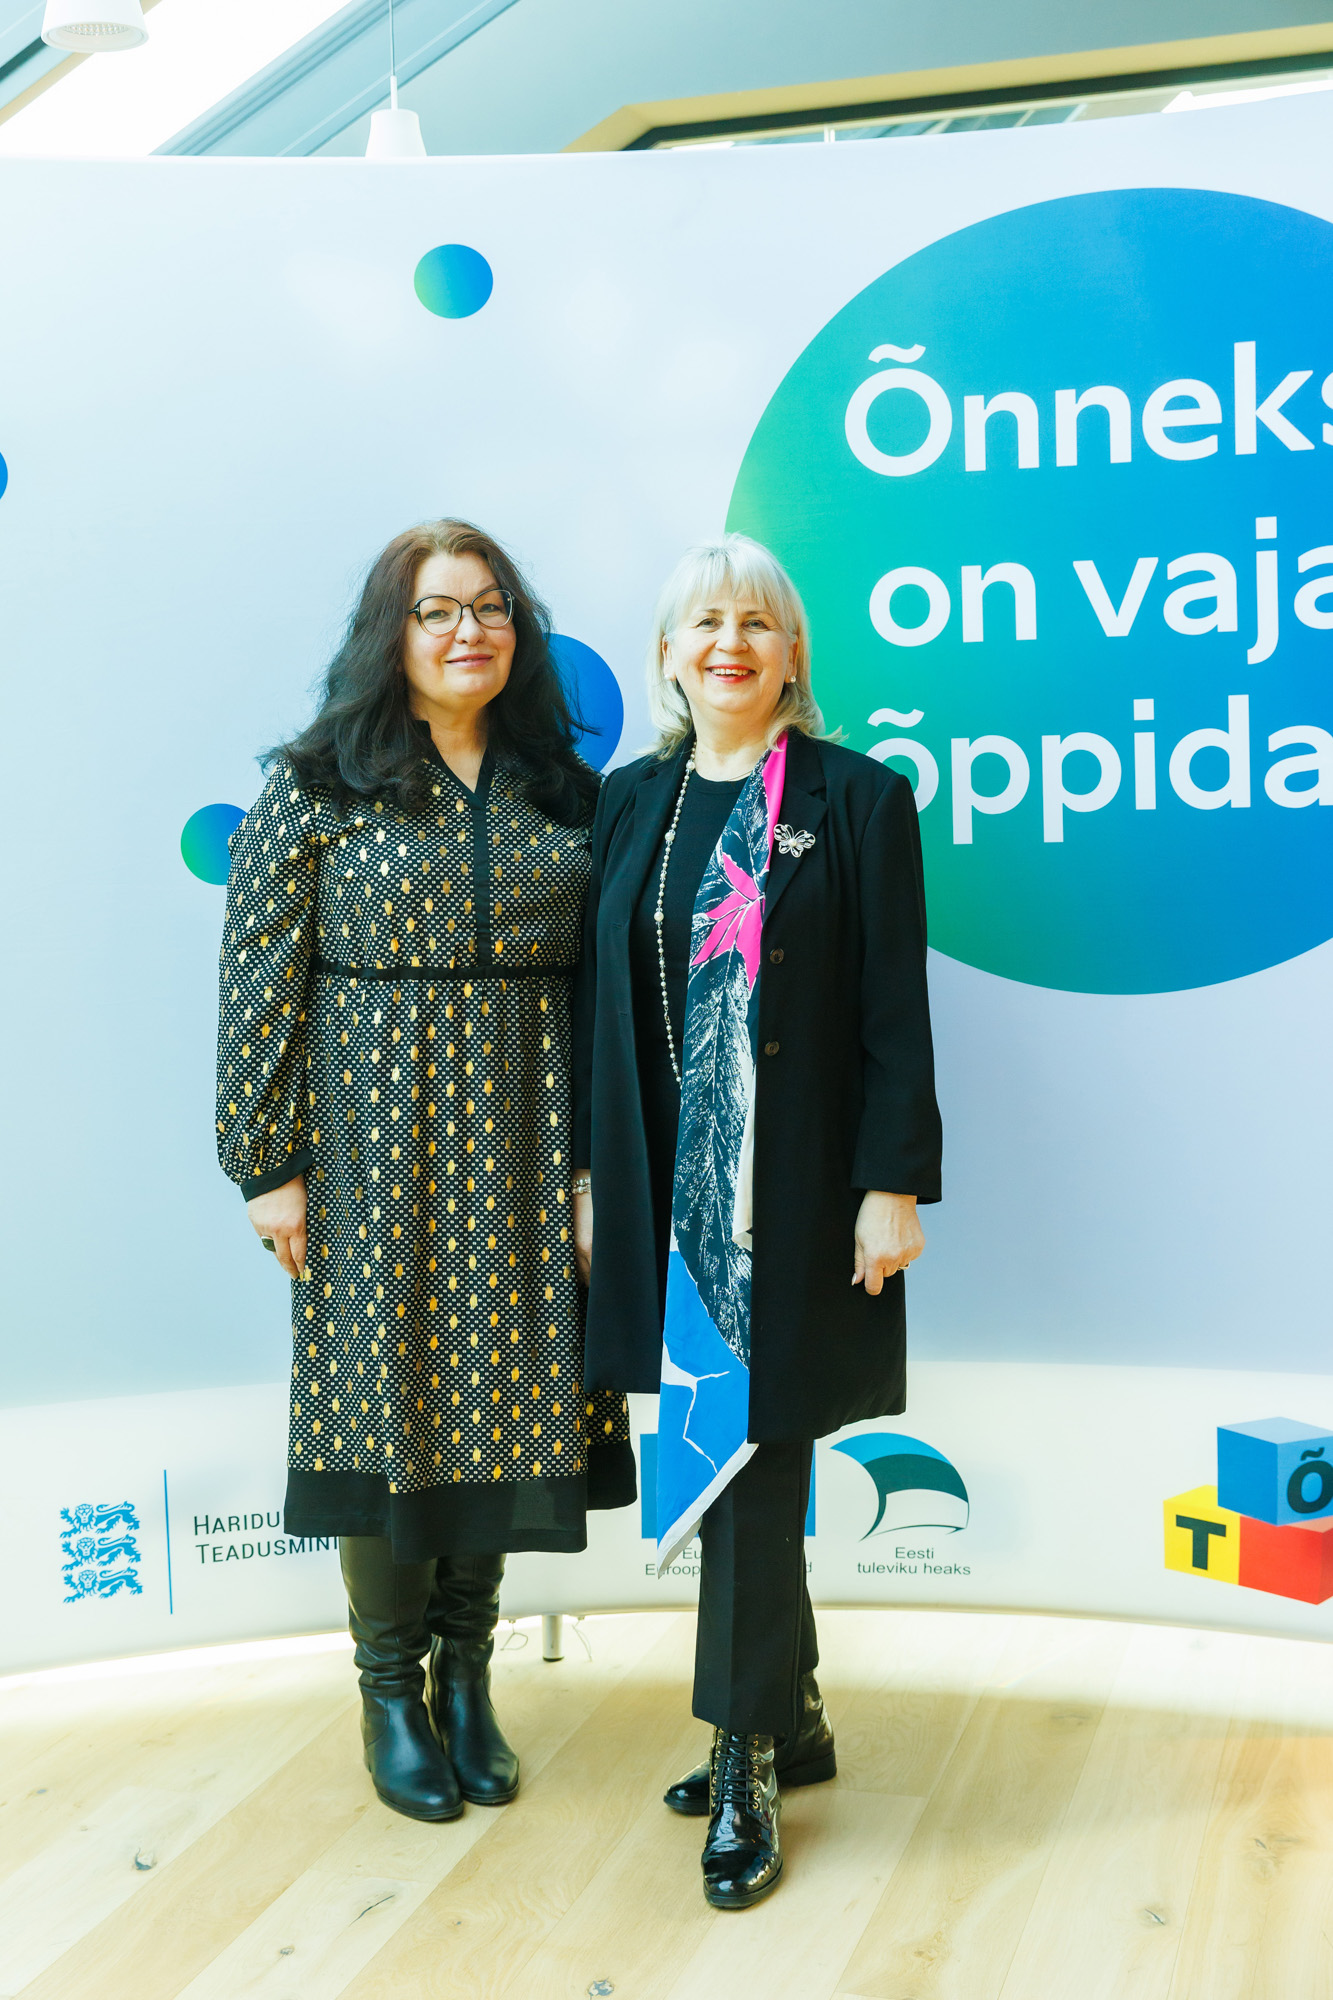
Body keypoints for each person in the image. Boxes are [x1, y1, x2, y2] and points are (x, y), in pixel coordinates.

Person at [217, 519, 633, 1824]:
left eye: (492, 608)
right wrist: (266, 1165)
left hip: (528, 1145)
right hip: (371, 1152)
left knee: (510, 1413)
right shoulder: (314, 788)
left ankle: (467, 1679)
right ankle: (388, 1695)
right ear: (388, 635)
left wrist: (591, 1177)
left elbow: (603, 996)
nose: (470, 632)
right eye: (438, 610)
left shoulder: (567, 792)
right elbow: (257, 984)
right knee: (381, 1418)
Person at [571, 534, 941, 1908]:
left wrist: (890, 1183)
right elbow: (591, 1008)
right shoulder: (630, 802)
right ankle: (798, 1715)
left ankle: (742, 1758)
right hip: (657, 1189)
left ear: (792, 654)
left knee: (752, 1453)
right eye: (704, 623)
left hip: (791, 1199)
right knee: (725, 1448)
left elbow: (893, 1009)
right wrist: (588, 1178)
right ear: (670, 654)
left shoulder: (858, 798)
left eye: (756, 623)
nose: (729, 644)